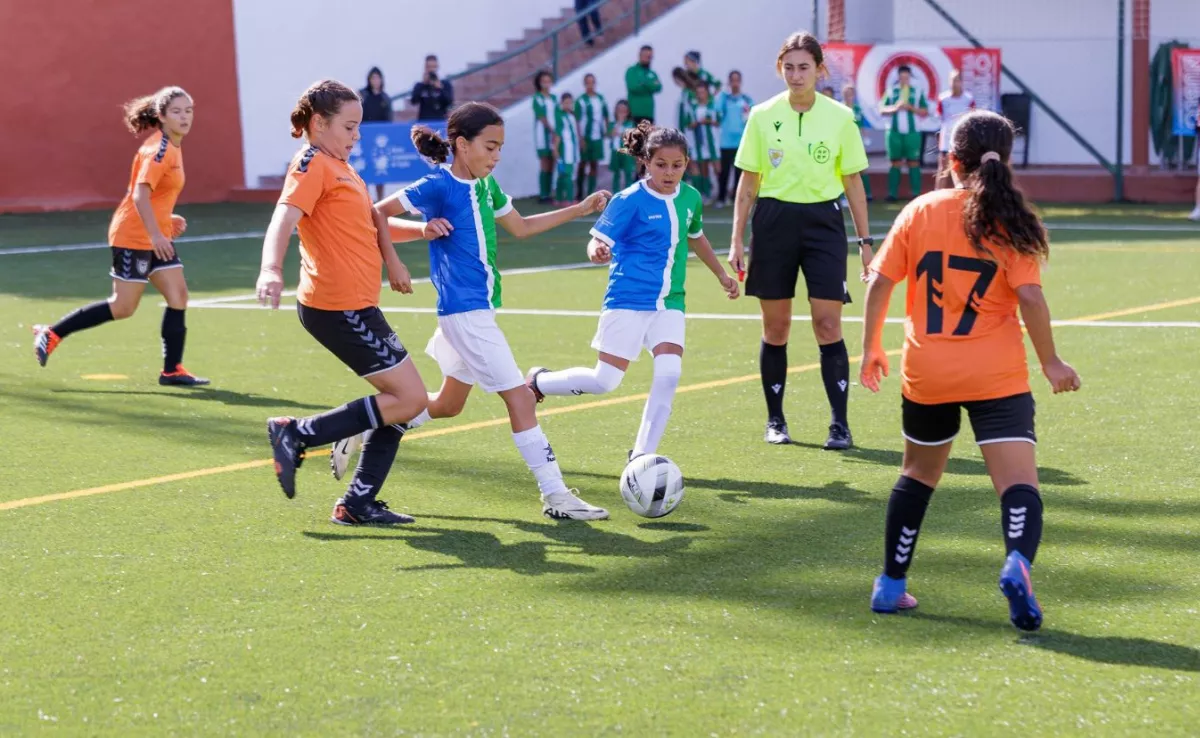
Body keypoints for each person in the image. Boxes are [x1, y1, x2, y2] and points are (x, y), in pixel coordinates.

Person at [860, 110, 1081, 631]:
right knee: (1018, 485)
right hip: (995, 375)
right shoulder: (1012, 220)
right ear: (1005, 160)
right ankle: (1016, 564)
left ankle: (891, 586)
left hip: (928, 371)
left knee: (916, 476)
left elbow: (879, 282)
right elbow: (1029, 296)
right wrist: (1050, 361)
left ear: (951, 161)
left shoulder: (920, 210)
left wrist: (870, 347)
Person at [371, 102, 612, 521]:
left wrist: (580, 209)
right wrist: (395, 260)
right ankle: (555, 495)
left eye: (500, 147)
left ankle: (372, 428)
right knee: (520, 398)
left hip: (477, 311)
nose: (496, 155)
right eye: (490, 146)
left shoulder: (488, 186)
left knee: (448, 404)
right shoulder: (437, 185)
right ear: (462, 145)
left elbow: (521, 227)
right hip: (465, 313)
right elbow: (377, 212)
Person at [258, 79, 432, 526]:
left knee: (402, 401)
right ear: (319, 123)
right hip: (337, 307)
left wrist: (422, 231)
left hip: (357, 305)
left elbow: (368, 228)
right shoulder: (312, 162)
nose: (357, 136)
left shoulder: (342, 167)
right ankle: (296, 433)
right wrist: (271, 270)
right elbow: (284, 216)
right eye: (349, 126)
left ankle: (357, 502)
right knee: (409, 398)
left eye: (359, 127)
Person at [527, 122, 739, 459]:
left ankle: (641, 455)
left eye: (677, 165)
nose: (670, 173)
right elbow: (597, 239)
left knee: (669, 374)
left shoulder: (691, 198)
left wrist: (721, 275)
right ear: (645, 162)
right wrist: (595, 249)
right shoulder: (629, 200)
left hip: (670, 302)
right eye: (661, 165)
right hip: (627, 299)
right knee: (605, 381)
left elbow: (696, 237)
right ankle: (539, 382)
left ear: (687, 163)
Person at [727, 31, 873, 450]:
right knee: (776, 328)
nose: (795, 75)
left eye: (804, 67)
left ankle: (839, 425)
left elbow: (854, 184)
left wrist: (865, 242)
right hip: (773, 222)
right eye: (788, 67)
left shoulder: (841, 117)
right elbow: (747, 183)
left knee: (828, 324)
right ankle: (776, 421)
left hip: (824, 224)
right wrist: (737, 238)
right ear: (780, 69)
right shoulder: (761, 115)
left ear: (819, 69)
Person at [32, 87, 208, 387]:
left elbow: (154, 197)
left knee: (178, 296)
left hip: (155, 233)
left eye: (188, 110)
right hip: (133, 235)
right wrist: (155, 233)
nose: (184, 117)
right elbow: (139, 194)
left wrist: (165, 220)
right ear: (161, 116)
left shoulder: (173, 146)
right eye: (177, 111)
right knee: (123, 307)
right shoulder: (159, 151)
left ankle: (172, 370)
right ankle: (51, 334)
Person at [880, 64, 929, 201]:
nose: (904, 80)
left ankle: (916, 194)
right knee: (895, 162)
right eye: (902, 77)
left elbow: (925, 111)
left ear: (910, 78)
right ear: (898, 77)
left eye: (906, 77)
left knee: (913, 162)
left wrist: (911, 108)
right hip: (894, 133)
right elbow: (882, 109)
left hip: (912, 133)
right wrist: (895, 108)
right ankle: (892, 194)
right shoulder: (891, 91)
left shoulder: (917, 91)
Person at [716, 70, 753, 208]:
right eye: (732, 80)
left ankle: (736, 198)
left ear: (740, 81)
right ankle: (721, 198)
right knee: (724, 172)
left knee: (739, 174)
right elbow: (716, 112)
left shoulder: (747, 100)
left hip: (741, 142)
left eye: (737, 80)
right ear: (729, 82)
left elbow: (751, 119)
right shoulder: (724, 99)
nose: (735, 83)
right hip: (725, 142)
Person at [935, 70, 975, 189]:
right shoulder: (943, 98)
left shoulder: (968, 99)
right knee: (943, 168)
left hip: (962, 139)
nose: (954, 83)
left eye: (957, 80)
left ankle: (962, 193)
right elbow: (939, 117)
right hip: (946, 139)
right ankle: (938, 193)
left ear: (961, 82)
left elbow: (972, 116)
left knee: (962, 168)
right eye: (952, 80)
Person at [360, 66, 394, 200]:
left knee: (380, 171)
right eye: (373, 78)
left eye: (377, 78)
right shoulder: (363, 96)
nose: (375, 81)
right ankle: (365, 199)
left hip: (380, 140)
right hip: (365, 139)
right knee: (366, 172)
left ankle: (380, 200)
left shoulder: (385, 98)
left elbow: (389, 119)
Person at [575, 73, 610, 200]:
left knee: (594, 165)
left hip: (597, 137)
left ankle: (590, 193)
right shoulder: (580, 100)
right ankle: (579, 193)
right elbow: (577, 121)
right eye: (587, 82)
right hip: (586, 137)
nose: (590, 85)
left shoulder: (600, 99)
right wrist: (580, 138)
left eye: (592, 82)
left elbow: (606, 115)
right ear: (584, 84)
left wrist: (607, 130)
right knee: (582, 164)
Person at [683, 84, 720, 203]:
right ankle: (705, 193)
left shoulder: (713, 105)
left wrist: (708, 121)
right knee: (703, 167)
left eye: (703, 92)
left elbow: (719, 121)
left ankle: (720, 192)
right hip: (699, 142)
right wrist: (694, 124)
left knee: (718, 168)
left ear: (707, 93)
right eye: (698, 92)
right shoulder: (692, 107)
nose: (700, 94)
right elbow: (687, 123)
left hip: (713, 142)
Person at [532, 70, 558, 203]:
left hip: (554, 133)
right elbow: (541, 116)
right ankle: (543, 195)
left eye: (548, 81)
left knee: (552, 162)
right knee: (544, 162)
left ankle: (549, 192)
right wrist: (552, 130)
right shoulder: (537, 98)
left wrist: (557, 131)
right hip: (543, 134)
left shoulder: (554, 98)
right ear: (539, 83)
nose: (546, 84)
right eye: (544, 81)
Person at [843, 84, 872, 201]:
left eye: (850, 94)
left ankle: (867, 193)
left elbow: (861, 125)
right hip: (844, 141)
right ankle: (844, 196)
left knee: (862, 167)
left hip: (857, 141)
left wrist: (865, 138)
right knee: (845, 169)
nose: (848, 96)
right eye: (846, 93)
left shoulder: (858, 109)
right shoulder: (840, 107)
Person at [625, 45, 663, 125]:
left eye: (650, 57)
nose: (648, 59)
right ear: (640, 55)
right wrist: (650, 85)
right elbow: (633, 87)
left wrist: (643, 84)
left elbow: (659, 87)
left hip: (649, 114)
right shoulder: (632, 71)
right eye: (646, 56)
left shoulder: (652, 73)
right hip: (635, 113)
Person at [555, 92, 581, 204]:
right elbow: (558, 134)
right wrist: (555, 149)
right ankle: (569, 199)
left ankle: (559, 198)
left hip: (573, 149)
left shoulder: (572, 116)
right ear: (561, 103)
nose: (568, 105)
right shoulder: (560, 116)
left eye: (570, 103)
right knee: (567, 174)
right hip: (565, 149)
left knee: (563, 174)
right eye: (566, 103)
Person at [410, 54, 454, 121]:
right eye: (429, 67)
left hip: (440, 121)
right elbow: (414, 101)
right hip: (424, 121)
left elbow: (449, 102)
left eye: (433, 67)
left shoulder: (445, 84)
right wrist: (423, 84)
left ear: (437, 67)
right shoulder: (419, 85)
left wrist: (440, 88)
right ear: (425, 68)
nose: (431, 70)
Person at [608, 100, 637, 192]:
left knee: (628, 173)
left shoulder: (630, 124)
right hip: (615, 151)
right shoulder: (613, 124)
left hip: (626, 152)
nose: (621, 113)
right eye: (619, 111)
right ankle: (615, 193)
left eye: (624, 111)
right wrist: (619, 123)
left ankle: (629, 193)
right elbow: (611, 134)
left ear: (628, 112)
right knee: (616, 173)